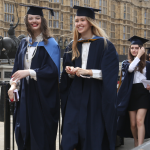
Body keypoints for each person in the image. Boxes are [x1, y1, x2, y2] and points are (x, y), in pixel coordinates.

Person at [60, 5, 119, 150]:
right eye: (76, 20)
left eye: (82, 20)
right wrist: (70, 71)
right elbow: (67, 73)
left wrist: (88, 72)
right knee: (70, 132)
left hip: (95, 95)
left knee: (92, 133)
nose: (79, 24)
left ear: (90, 22)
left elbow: (110, 74)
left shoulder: (105, 45)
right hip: (75, 95)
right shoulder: (71, 46)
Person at [7, 4, 60, 150]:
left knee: (40, 135)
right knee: (23, 133)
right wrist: (13, 86)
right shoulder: (23, 43)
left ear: (42, 21)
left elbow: (52, 71)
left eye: (37, 18)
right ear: (27, 20)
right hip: (25, 96)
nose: (34, 21)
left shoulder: (51, 44)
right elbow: (16, 69)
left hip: (42, 98)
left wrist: (29, 72)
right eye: (31, 18)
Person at [117, 36, 150, 147]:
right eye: (132, 48)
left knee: (140, 121)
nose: (134, 50)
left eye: (137, 48)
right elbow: (131, 69)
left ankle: (140, 146)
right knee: (133, 124)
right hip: (130, 94)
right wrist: (139, 56)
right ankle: (136, 140)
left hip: (143, 94)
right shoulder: (126, 63)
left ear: (141, 49)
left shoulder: (148, 65)